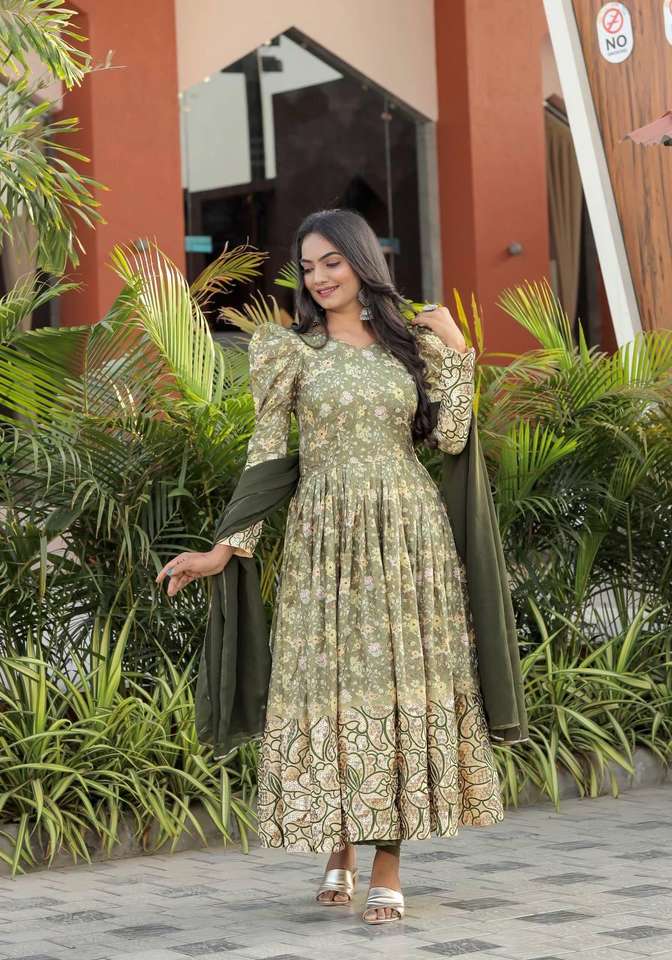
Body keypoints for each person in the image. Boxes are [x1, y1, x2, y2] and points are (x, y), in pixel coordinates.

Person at [156, 208, 506, 925]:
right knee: (333, 688)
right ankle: (339, 844)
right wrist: (225, 547)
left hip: (409, 539)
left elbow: (450, 439)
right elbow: (267, 453)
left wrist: (458, 350)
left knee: (400, 688)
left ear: (361, 261)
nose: (318, 277)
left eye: (331, 262)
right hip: (325, 542)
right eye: (308, 266)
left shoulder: (412, 347)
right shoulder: (292, 352)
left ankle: (387, 865)